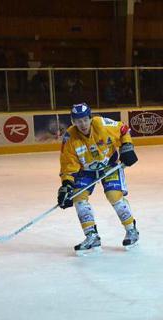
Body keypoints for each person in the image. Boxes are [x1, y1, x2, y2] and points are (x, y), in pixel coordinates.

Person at [58, 103, 139, 254]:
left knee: (114, 196)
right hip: (86, 170)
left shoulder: (102, 124)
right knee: (78, 197)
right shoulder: (70, 137)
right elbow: (68, 164)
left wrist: (127, 146)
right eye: (77, 120)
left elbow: (123, 129)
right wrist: (66, 185)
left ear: (90, 118)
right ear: (72, 121)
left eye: (84, 119)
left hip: (109, 165)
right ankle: (92, 236)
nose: (82, 124)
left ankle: (131, 229)